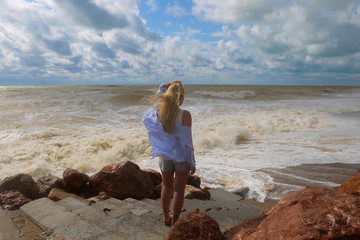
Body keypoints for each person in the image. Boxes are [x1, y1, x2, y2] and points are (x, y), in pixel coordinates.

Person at [142, 80, 196, 227]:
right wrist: (192, 162)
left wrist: (170, 84)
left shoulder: (159, 111)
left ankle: (166, 217)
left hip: (165, 155)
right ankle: (175, 223)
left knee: (166, 186)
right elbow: (187, 142)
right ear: (181, 98)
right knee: (178, 190)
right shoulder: (185, 115)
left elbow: (160, 90)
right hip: (181, 157)